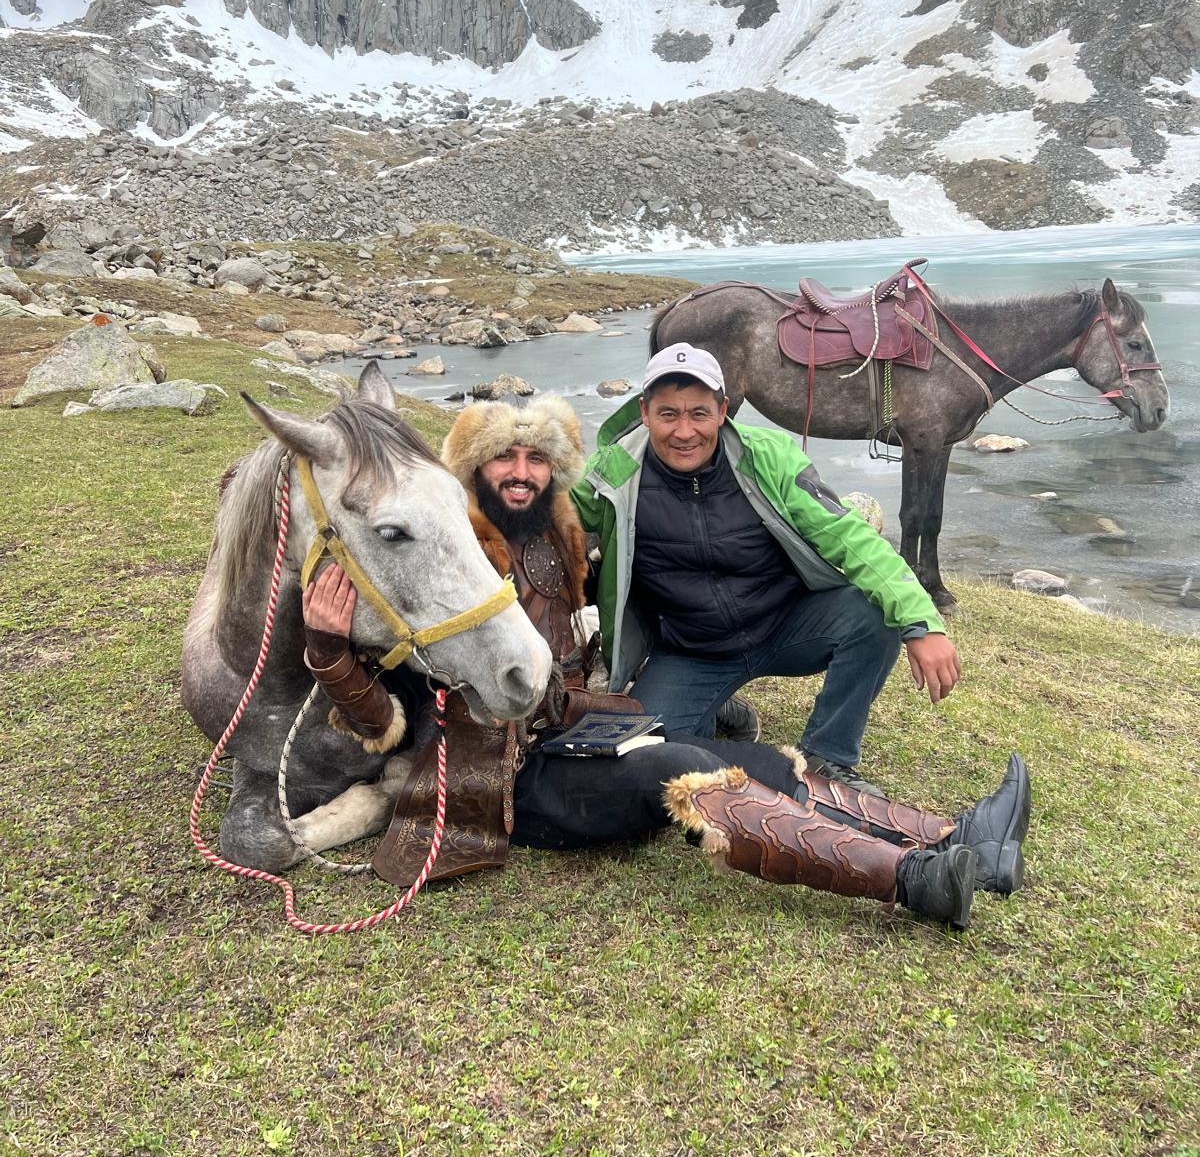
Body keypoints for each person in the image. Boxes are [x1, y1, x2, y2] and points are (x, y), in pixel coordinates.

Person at [328, 392, 1027, 932]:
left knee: (750, 760)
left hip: (573, 735)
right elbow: (384, 713)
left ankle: (956, 838)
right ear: (471, 469)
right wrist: (329, 649)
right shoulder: (436, 560)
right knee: (682, 765)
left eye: (535, 459)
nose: (520, 472)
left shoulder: (558, 536)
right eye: (502, 459)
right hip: (499, 782)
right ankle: (915, 882)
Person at [571, 344, 961, 796]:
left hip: (786, 626)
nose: (684, 431)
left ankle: (827, 756)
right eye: (668, 414)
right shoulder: (612, 474)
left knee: (873, 614)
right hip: (690, 650)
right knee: (647, 752)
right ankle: (723, 713)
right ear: (644, 412)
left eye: (699, 413)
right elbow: (553, 520)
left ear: (723, 411)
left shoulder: (768, 456)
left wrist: (922, 621)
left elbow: (848, 536)